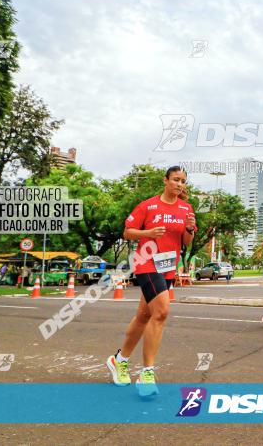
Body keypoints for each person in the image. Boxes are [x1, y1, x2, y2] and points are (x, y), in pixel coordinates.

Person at [106, 166, 195, 397]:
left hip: (167, 267)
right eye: (176, 179)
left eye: (183, 181)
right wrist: (148, 234)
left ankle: (120, 360)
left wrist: (189, 228)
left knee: (145, 315)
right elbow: (127, 232)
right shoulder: (148, 205)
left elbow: (186, 241)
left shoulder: (186, 208)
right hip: (147, 262)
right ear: (165, 180)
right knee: (162, 312)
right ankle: (147, 374)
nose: (179, 184)